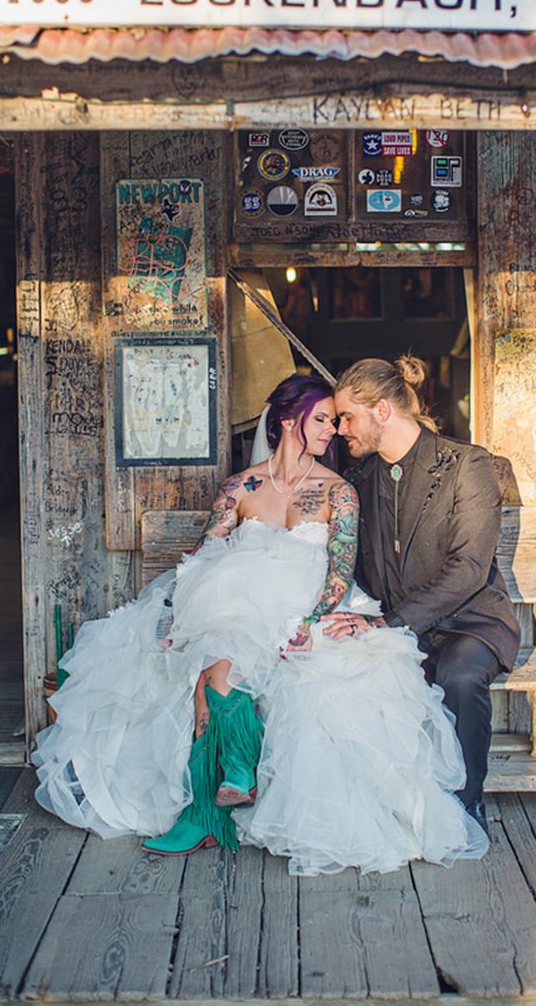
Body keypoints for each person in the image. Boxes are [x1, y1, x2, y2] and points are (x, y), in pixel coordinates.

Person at [33, 372, 487, 875]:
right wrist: (176, 613)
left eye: (337, 421)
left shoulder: (340, 493)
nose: (333, 430)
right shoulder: (240, 489)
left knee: (251, 673)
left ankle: (216, 803)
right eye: (323, 419)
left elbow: (339, 570)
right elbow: (205, 556)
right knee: (211, 665)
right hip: (237, 606)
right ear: (289, 421)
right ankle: (216, 796)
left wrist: (310, 620)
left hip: (307, 607)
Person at [333, 356, 521, 834]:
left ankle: (466, 803)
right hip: (397, 624)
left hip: (471, 622)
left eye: (347, 417)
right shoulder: (360, 481)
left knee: (457, 674)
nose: (339, 429)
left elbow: (469, 569)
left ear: (381, 411)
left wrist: (389, 624)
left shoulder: (468, 465)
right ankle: (385, 805)